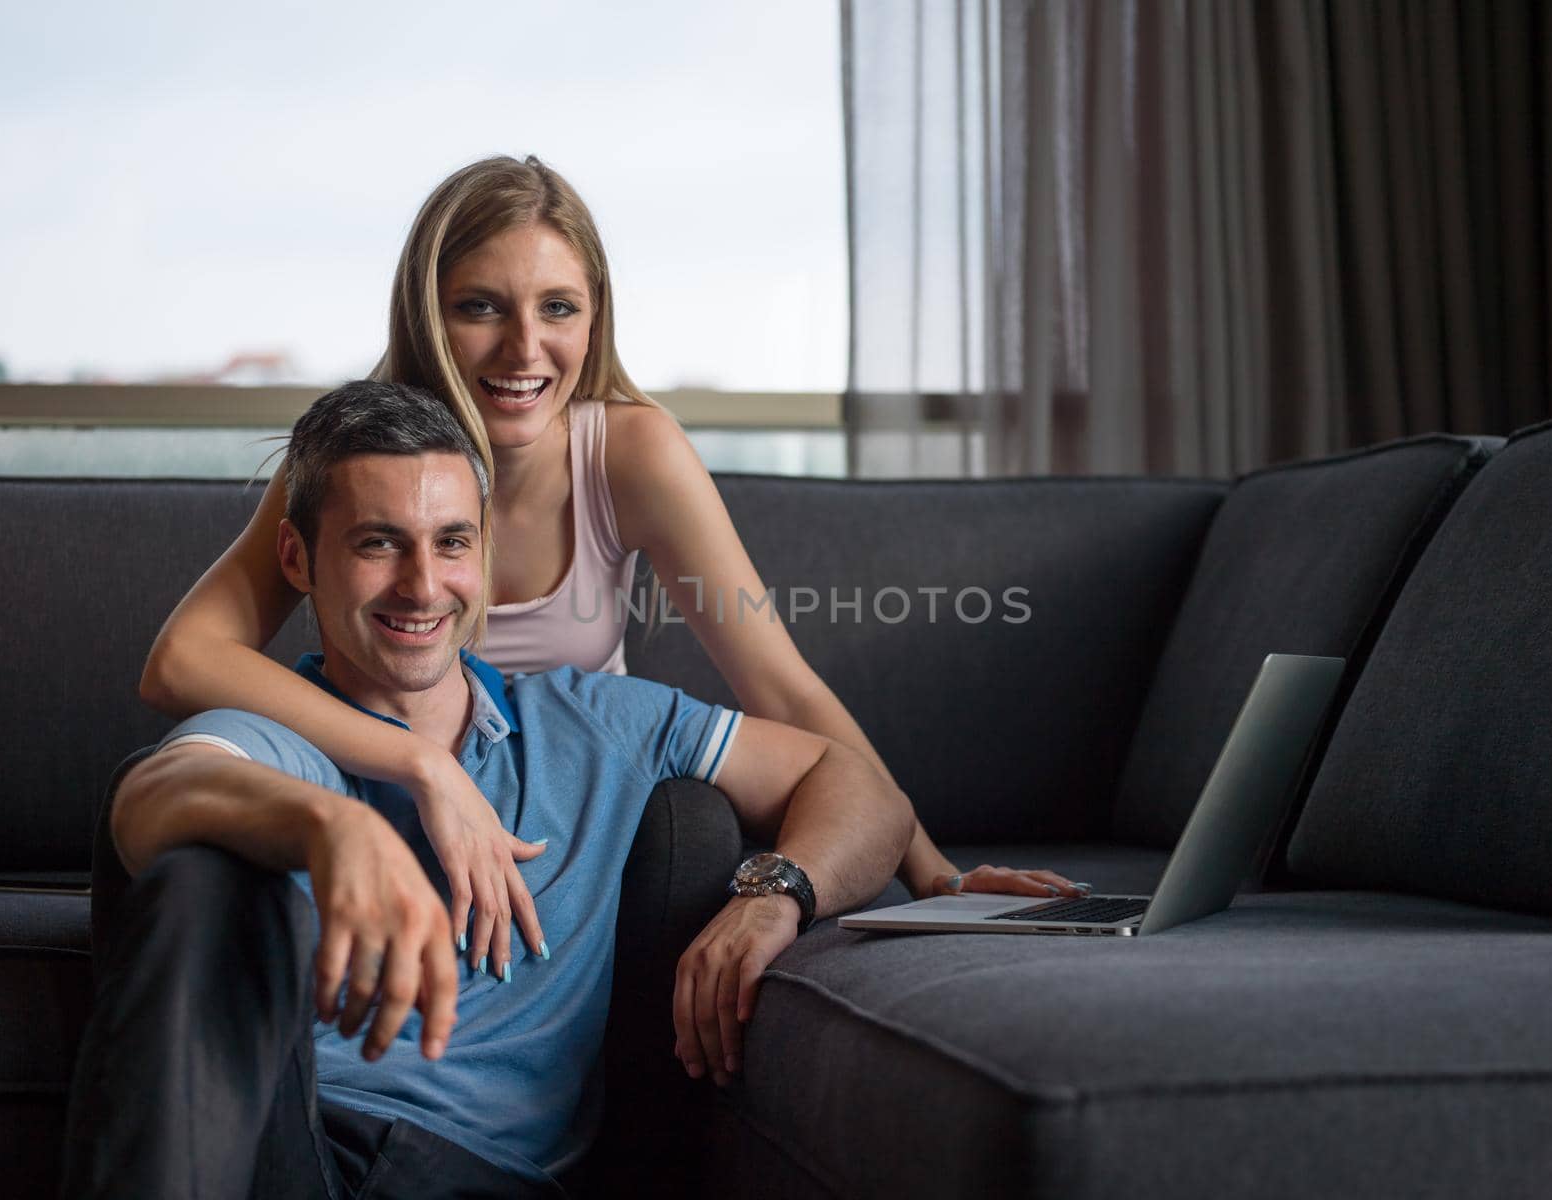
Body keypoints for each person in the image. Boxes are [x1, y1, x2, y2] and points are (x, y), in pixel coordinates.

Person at [140, 154, 1082, 1002]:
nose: (523, 350)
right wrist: (420, 763)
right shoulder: (368, 454)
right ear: (429, 312)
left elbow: (782, 686)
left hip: (568, 824)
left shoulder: (627, 453)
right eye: (480, 307)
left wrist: (930, 872)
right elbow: (182, 660)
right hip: (383, 795)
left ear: (595, 319)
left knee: (695, 825)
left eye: (558, 307)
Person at [65, 380, 916, 1198]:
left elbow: (858, 786)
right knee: (199, 874)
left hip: (475, 1172)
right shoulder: (282, 734)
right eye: (377, 542)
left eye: (451, 541)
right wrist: (330, 827)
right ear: (297, 556)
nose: (423, 585)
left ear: (484, 552)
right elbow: (150, 796)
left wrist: (775, 896)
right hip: (282, 1151)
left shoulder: (592, 721)